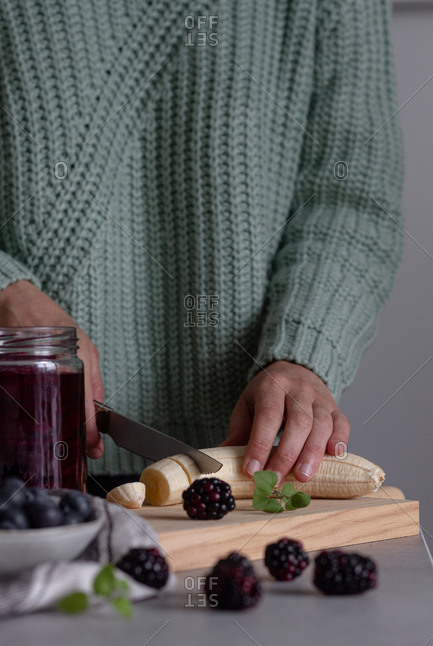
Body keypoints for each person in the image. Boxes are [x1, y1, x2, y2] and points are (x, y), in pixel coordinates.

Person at [0, 0, 403, 495]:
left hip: (245, 479)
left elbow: (351, 200)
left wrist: (301, 355)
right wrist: (7, 293)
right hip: (23, 464)